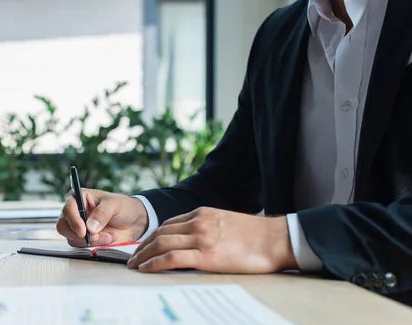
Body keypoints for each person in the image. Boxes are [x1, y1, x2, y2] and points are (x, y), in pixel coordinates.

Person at [57, 0, 412, 305]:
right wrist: (143, 214)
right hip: (294, 313)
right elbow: (228, 183)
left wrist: (281, 238)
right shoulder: (278, 34)